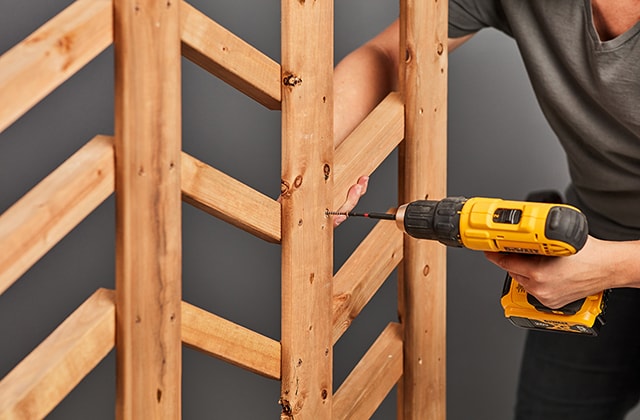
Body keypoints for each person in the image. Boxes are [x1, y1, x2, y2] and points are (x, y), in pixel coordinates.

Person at [331, 1, 640, 418]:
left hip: (602, 263)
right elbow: (391, 53)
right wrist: (327, 157)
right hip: (593, 234)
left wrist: (615, 267)